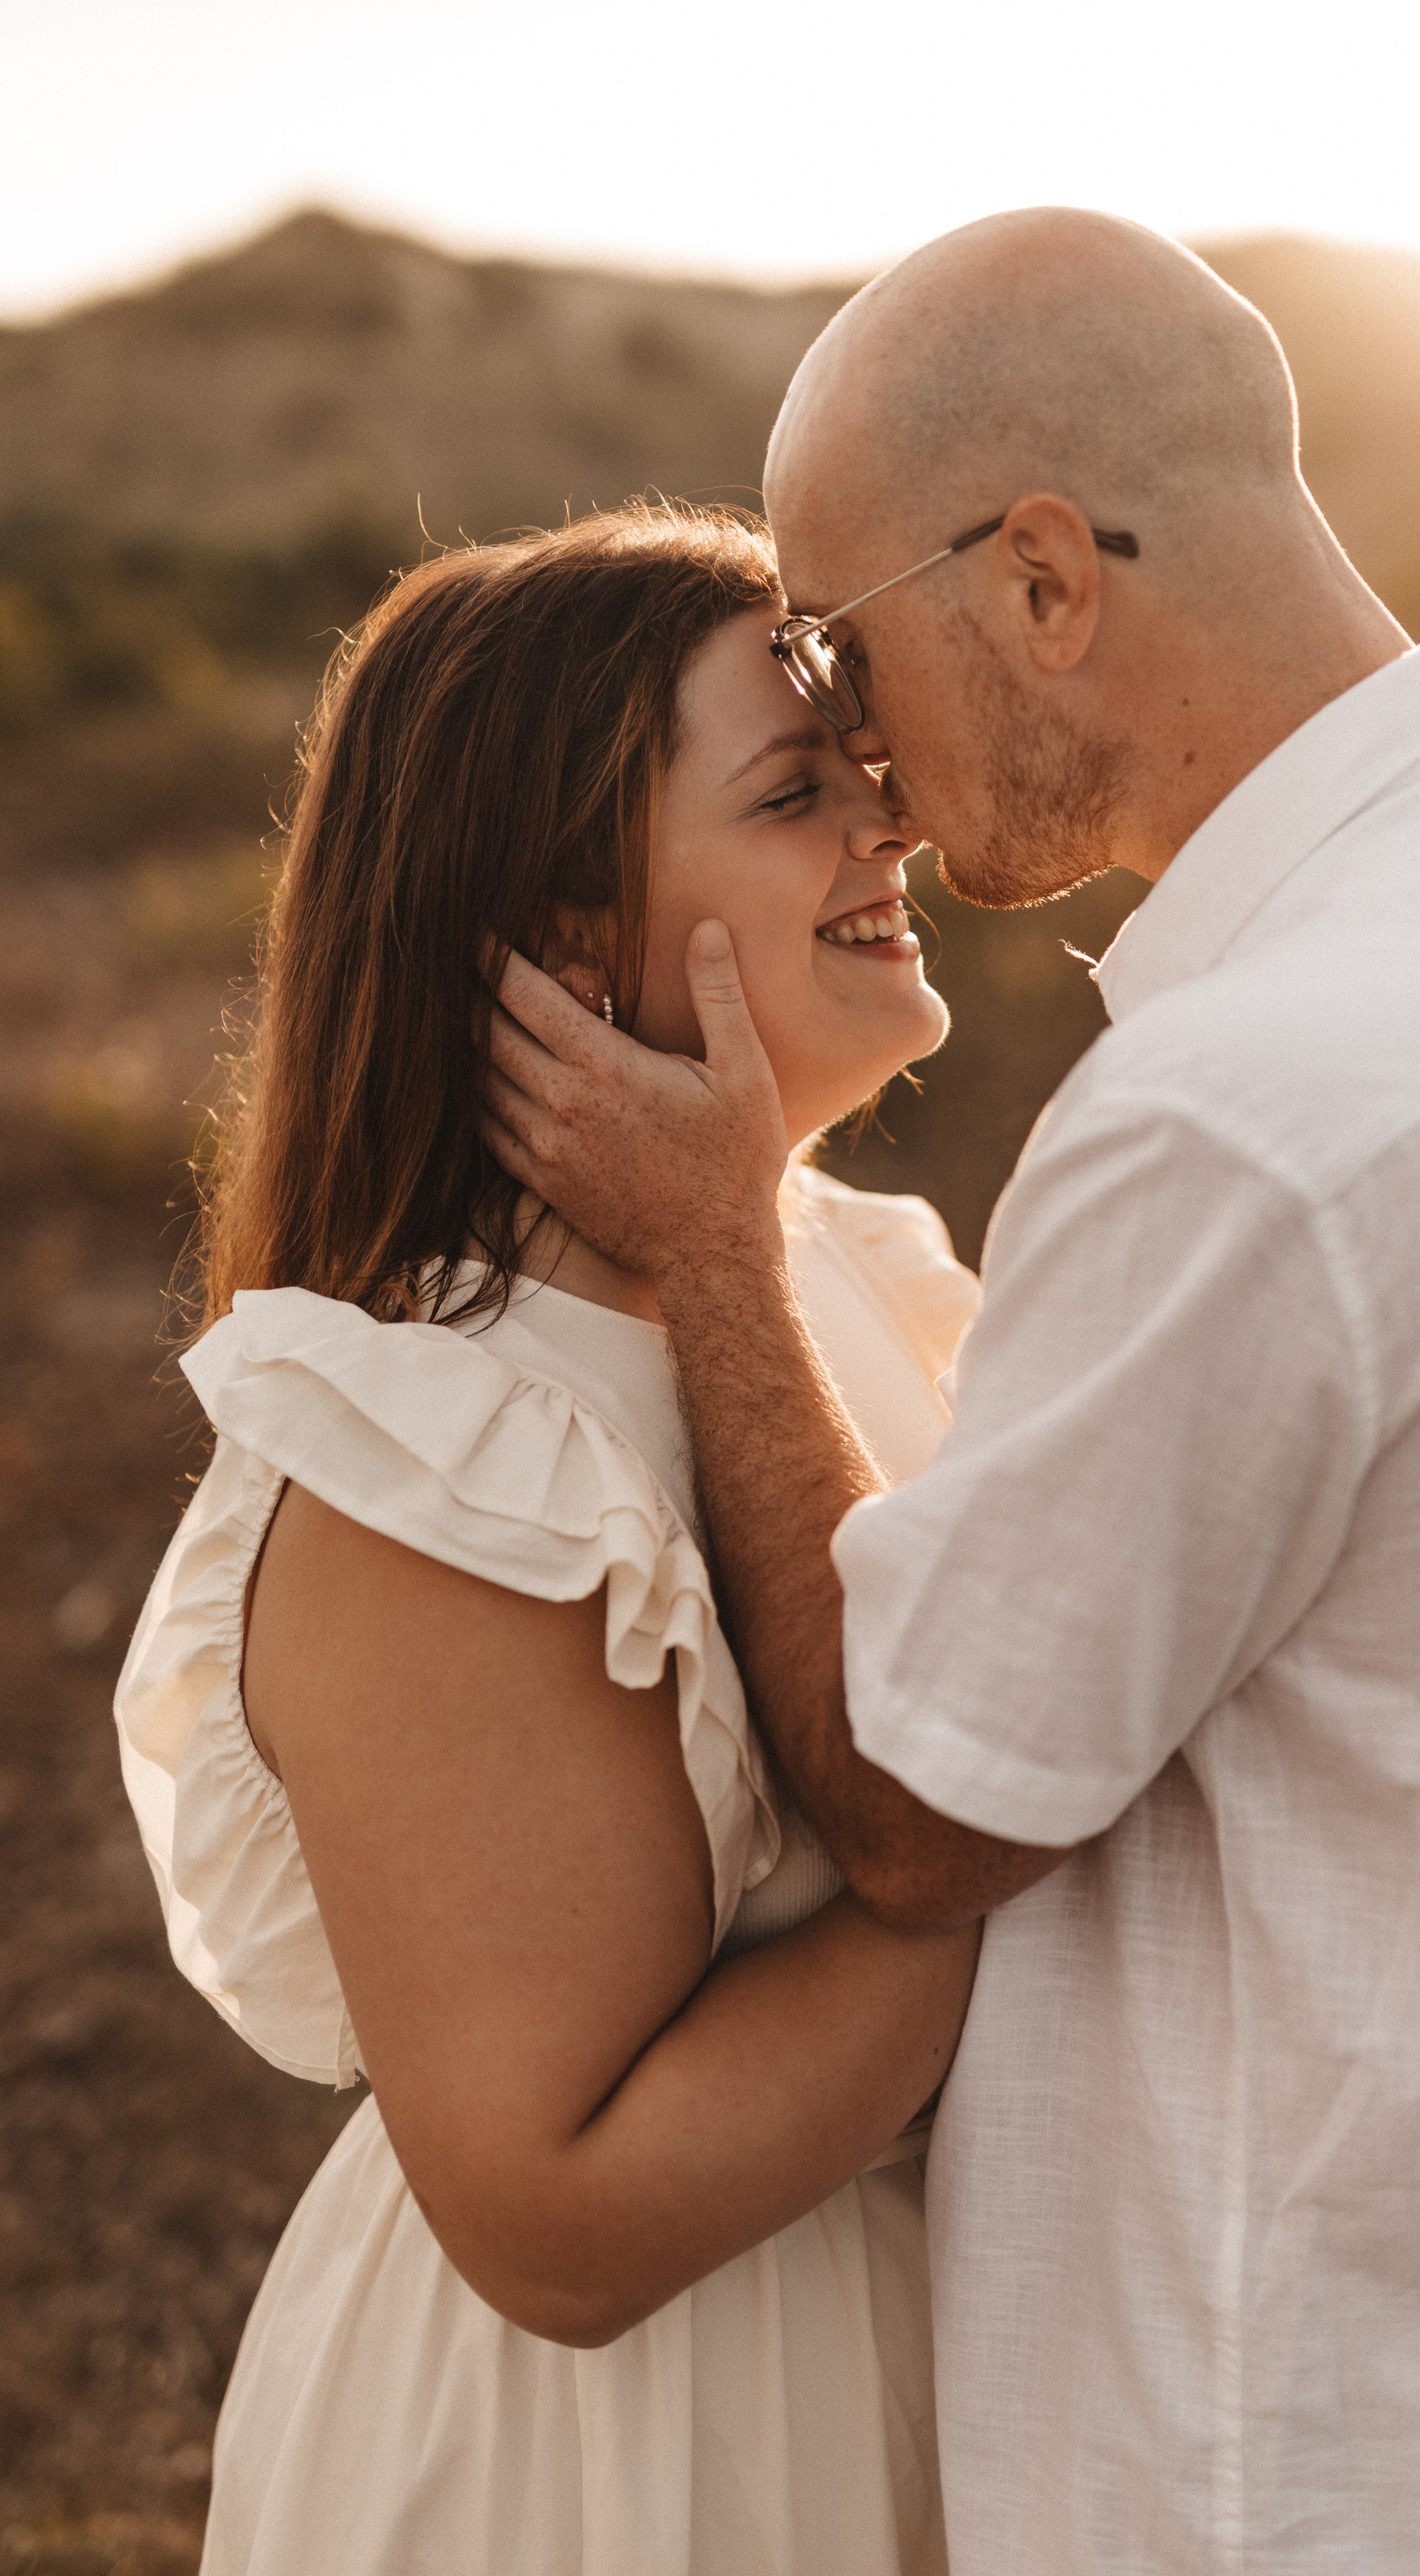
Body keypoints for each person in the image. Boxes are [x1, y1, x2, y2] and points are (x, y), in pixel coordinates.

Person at [483, 211, 1420, 2572]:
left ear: (1044, 579)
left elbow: (923, 1801)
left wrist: (718, 1256)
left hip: (1319, 2468)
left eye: (842, 650)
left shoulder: (1250, 1115)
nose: (859, 752)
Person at [114, 501, 985, 2576]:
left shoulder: (839, 1275)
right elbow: (558, 2221)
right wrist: (1040, 1833)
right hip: (629, 2470)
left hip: (903, 2355)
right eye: (796, 792)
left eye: (867, 769)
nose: (894, 827)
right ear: (573, 937)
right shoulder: (455, 1455)